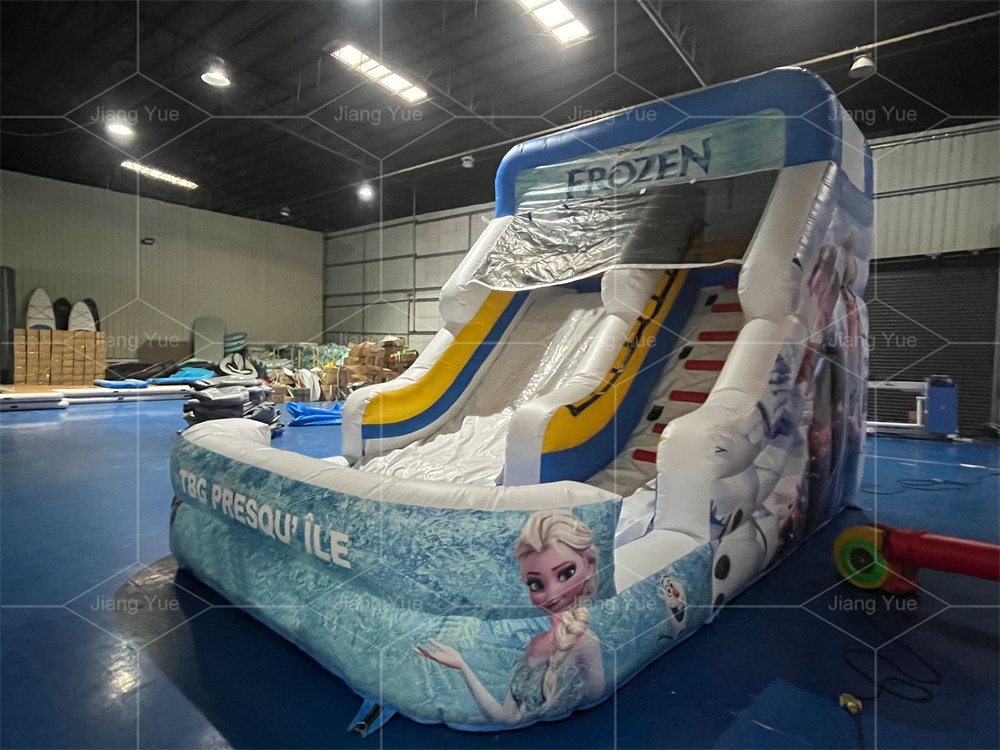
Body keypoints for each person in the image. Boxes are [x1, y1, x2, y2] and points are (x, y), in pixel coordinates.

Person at [417, 509, 605, 724]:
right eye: (536, 584)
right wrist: (462, 667)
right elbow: (506, 717)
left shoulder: (587, 641)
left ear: (590, 565)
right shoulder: (534, 645)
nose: (552, 594)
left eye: (566, 573)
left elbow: (595, 707)